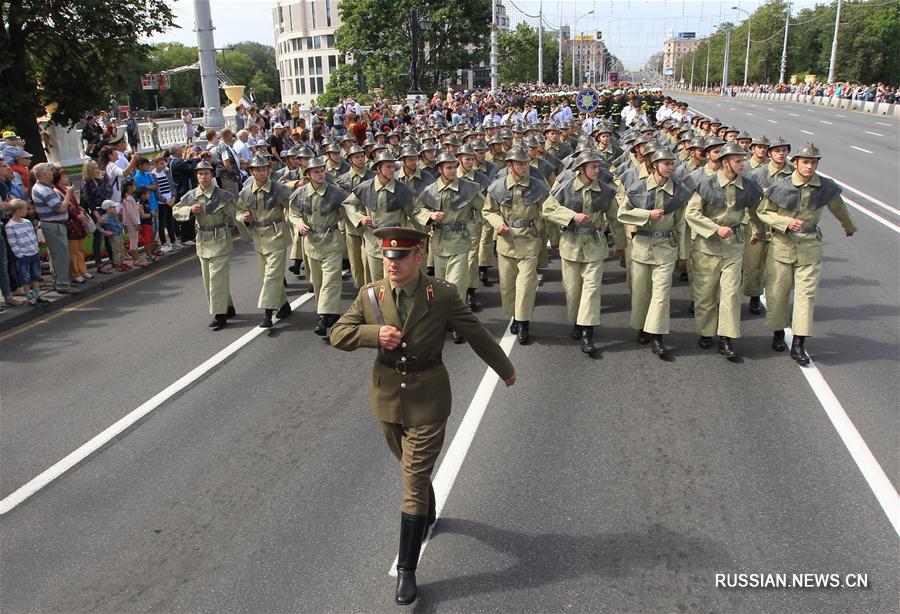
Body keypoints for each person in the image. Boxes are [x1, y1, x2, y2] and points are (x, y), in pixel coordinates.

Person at [329, 226, 516, 606]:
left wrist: (505, 369)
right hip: (386, 398)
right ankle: (426, 502)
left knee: (412, 480)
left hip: (429, 396)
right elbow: (338, 333)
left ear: (418, 257)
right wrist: (373, 334)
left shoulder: (442, 295)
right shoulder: (371, 295)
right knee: (409, 465)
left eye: (400, 258)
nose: (391, 264)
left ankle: (407, 571)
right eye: (387, 257)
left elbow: (477, 334)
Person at [756, 143, 857, 365]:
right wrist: (785, 221)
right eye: (805, 162)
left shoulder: (825, 187)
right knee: (777, 292)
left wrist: (849, 226)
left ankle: (800, 343)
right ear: (796, 163)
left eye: (813, 162)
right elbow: (763, 212)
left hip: (810, 246)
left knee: (806, 296)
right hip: (782, 245)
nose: (809, 166)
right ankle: (778, 332)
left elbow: (839, 207)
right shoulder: (780, 187)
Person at [685, 141, 763, 361]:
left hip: (734, 247)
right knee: (705, 294)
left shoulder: (748, 187)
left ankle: (726, 338)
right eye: (738, 161)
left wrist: (757, 230)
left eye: (743, 160)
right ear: (725, 163)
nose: (742, 164)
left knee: (730, 293)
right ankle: (706, 331)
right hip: (706, 247)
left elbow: (756, 212)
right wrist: (715, 228)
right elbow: (692, 214)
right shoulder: (705, 184)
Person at [542, 151, 624, 354]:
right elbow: (547, 209)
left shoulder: (606, 191)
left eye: (598, 166)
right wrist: (571, 216)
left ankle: (588, 331)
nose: (597, 170)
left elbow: (615, 218)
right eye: (593, 167)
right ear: (580, 169)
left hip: (595, 245)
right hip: (571, 244)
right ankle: (577, 322)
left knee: (592, 289)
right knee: (572, 290)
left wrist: (620, 243)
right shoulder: (565, 188)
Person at [617, 148, 692, 358]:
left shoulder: (679, 191)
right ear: (654, 166)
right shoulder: (637, 187)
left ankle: (657, 335)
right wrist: (647, 214)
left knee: (661, 294)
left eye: (672, 163)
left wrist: (683, 253)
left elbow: (682, 224)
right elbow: (622, 213)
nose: (670, 167)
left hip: (666, 248)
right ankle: (642, 327)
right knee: (641, 292)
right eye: (666, 163)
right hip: (641, 245)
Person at [481, 147, 551, 344]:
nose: (524, 166)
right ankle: (515, 315)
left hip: (529, 241)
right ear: (510, 165)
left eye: (526, 163)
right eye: (520, 163)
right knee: (508, 286)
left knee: (525, 285)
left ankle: (523, 322)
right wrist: (498, 224)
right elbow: (488, 211)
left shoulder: (538, 186)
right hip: (506, 242)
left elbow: (550, 210)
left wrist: (557, 234)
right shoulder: (497, 187)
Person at [414, 152, 484, 343]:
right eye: (449, 167)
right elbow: (417, 210)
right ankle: (443, 320)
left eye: (454, 167)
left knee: (455, 286)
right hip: (438, 241)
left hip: (460, 241)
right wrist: (429, 215)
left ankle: (457, 323)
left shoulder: (468, 188)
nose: (453, 170)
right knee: (441, 286)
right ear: (440, 169)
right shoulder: (430, 189)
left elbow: (485, 206)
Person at [173, 161, 239, 330]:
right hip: (203, 240)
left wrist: (242, 222)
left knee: (216, 278)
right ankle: (228, 307)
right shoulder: (192, 195)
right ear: (196, 176)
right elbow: (176, 210)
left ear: (212, 175)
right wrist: (189, 211)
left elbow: (235, 213)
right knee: (208, 278)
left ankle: (219, 314)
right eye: (200, 173)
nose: (203, 177)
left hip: (220, 239)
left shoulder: (222, 195)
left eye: (207, 173)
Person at [287, 156, 349, 336]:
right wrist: (299, 224)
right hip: (311, 243)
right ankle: (331, 312)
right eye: (316, 171)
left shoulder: (336, 192)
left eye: (322, 171)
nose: (321, 174)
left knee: (331, 281)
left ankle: (323, 318)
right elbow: (293, 213)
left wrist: (352, 218)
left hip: (332, 241)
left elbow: (350, 207)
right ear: (308, 175)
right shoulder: (299, 193)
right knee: (319, 282)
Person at [341, 151, 421, 283]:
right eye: (388, 167)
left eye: (393, 166)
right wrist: (359, 218)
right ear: (378, 169)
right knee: (375, 281)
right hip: (373, 239)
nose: (392, 170)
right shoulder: (366, 187)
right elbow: (348, 204)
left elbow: (414, 212)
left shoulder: (402, 189)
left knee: (391, 279)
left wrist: (419, 236)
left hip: (394, 240)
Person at [235, 153, 294, 328]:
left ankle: (267, 313)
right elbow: (238, 211)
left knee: (271, 276)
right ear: (251, 171)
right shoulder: (246, 192)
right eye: (258, 170)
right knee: (267, 276)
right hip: (258, 238)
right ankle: (283, 305)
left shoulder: (278, 189)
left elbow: (293, 207)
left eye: (264, 169)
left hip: (277, 236)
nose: (262, 173)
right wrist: (243, 218)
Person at [31, 163, 79, 294]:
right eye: (50, 171)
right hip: (54, 225)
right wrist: (68, 193)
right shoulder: (43, 190)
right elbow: (61, 208)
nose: (52, 173)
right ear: (44, 174)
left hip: (53, 225)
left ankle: (58, 280)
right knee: (61, 256)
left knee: (56, 255)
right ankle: (63, 285)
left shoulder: (45, 188)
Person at [336, 144, 376, 288]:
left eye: (361, 156)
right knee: (355, 262)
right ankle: (360, 289)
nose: (360, 159)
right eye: (356, 157)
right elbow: (340, 201)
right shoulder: (342, 179)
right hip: (351, 224)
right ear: (350, 160)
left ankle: (371, 287)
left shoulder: (374, 176)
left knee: (370, 259)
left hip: (369, 223)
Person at [5, 199, 49, 307]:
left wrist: (36, 248)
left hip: (33, 252)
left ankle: (37, 295)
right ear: (18, 210)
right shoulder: (10, 226)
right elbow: (12, 242)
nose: (27, 211)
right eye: (25, 209)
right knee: (25, 277)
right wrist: (19, 253)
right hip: (23, 255)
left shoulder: (27, 222)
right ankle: (29, 297)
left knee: (35, 275)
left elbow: (33, 236)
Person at [51, 167, 91, 284]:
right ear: (58, 179)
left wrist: (80, 212)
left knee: (80, 248)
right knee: (73, 250)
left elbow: (75, 204)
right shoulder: (57, 191)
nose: (67, 178)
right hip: (70, 222)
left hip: (77, 221)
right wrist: (76, 215)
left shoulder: (67, 189)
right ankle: (75, 273)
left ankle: (83, 270)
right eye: (64, 177)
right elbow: (65, 208)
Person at [79, 159, 114, 273]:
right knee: (98, 237)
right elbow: (88, 201)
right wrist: (97, 215)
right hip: (95, 212)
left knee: (108, 236)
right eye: (94, 168)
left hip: (104, 210)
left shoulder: (99, 181)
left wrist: (104, 180)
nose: (97, 170)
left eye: (97, 168)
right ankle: (99, 264)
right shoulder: (86, 183)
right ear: (89, 170)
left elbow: (108, 193)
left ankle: (112, 259)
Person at [152, 155, 179, 251]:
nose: (163, 165)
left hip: (170, 200)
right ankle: (164, 243)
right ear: (155, 164)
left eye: (164, 163)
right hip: (162, 203)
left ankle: (173, 241)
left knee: (170, 222)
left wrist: (173, 197)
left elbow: (172, 185)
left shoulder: (166, 173)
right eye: (161, 163)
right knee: (162, 223)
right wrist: (165, 200)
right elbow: (157, 191)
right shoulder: (153, 176)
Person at [120, 178, 148, 268]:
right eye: (133, 185)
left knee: (134, 240)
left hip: (132, 222)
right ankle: (136, 260)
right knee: (134, 241)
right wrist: (137, 223)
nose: (135, 187)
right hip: (132, 223)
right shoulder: (128, 198)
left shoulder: (128, 197)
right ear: (129, 187)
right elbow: (131, 213)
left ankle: (136, 258)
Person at [99, 199, 129, 271]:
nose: (115, 208)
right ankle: (117, 264)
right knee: (116, 250)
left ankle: (121, 263)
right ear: (107, 209)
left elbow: (118, 221)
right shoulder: (104, 218)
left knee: (122, 248)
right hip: (113, 236)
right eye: (113, 207)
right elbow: (97, 226)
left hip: (119, 233)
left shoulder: (114, 215)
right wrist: (104, 232)